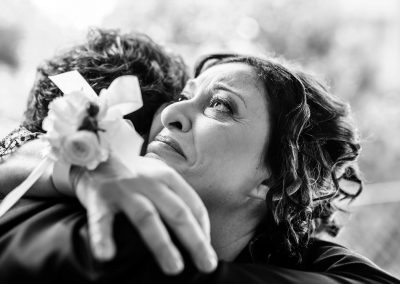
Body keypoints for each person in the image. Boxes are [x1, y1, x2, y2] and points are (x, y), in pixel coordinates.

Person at [0, 35, 399, 283]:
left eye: (222, 106)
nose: (171, 113)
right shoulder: (88, 235)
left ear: (276, 181)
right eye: (183, 96)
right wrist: (77, 169)